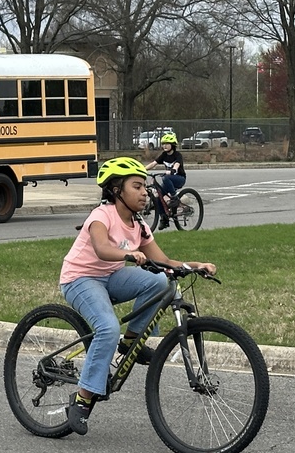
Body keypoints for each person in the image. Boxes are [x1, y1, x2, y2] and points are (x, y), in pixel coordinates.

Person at [59, 157, 216, 436]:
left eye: (145, 186)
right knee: (107, 329)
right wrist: (128, 254)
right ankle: (82, 400)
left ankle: (131, 341)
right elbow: (101, 250)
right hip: (81, 278)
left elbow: (164, 261)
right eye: (137, 186)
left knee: (158, 280)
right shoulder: (101, 216)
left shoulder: (140, 224)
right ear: (116, 190)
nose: (145, 192)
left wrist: (195, 265)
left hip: (111, 278)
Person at [143, 132, 186, 230]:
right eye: (163, 144)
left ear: (173, 145)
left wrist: (173, 170)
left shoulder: (177, 155)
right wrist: (143, 169)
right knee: (158, 197)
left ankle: (174, 198)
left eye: (167, 143)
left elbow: (177, 165)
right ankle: (164, 218)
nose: (164, 145)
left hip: (179, 179)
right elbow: (154, 163)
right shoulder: (164, 155)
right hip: (168, 181)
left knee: (165, 178)